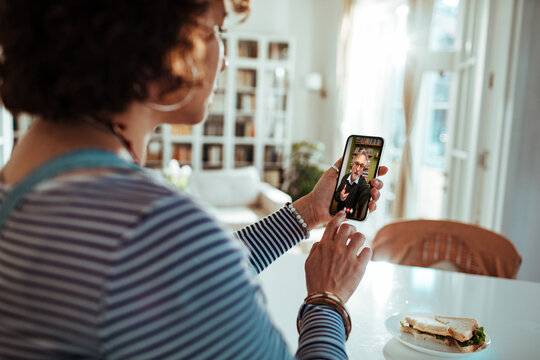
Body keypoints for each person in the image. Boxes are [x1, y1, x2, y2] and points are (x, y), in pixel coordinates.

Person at [0, 1, 388, 359]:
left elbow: (187, 283)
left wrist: (307, 212)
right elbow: (179, 261)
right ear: (150, 40)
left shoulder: (26, 183)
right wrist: (328, 300)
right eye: (214, 29)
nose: (225, 61)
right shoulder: (151, 229)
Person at [333, 150, 372, 218]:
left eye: (361, 166)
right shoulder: (345, 177)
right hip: (337, 214)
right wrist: (340, 197)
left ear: (363, 169)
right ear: (352, 164)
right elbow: (336, 196)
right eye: (356, 164)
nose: (357, 169)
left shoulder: (363, 185)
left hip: (350, 218)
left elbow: (362, 206)